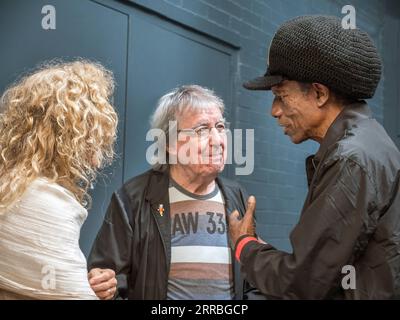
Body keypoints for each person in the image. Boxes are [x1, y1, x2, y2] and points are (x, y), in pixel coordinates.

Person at [228, 15, 400, 299]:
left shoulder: (351, 159)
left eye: (281, 96)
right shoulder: (370, 143)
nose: (274, 111)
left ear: (319, 93)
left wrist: (245, 246)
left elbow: (302, 284)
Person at [88, 85, 263, 299]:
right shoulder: (133, 198)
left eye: (219, 127)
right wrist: (103, 285)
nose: (217, 140)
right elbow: (107, 277)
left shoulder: (239, 197)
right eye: (202, 130)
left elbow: (254, 280)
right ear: (169, 143)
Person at [0, 60, 118, 299]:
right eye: (94, 135)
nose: (98, 155)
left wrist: (81, 282)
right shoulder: (43, 201)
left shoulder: (11, 188)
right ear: (71, 136)